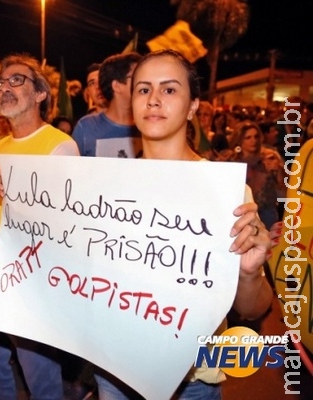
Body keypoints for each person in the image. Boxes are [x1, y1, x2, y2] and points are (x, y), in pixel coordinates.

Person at [92, 49, 273, 400]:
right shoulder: (105, 185)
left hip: (193, 382)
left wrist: (248, 273)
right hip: (115, 372)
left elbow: (254, 308)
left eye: (169, 89)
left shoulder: (227, 192)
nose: (154, 99)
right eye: (143, 89)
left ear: (193, 106)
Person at [0, 53, 79, 400]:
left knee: (38, 375)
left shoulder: (59, 146)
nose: (5, 88)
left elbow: (49, 226)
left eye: (17, 81)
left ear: (41, 94)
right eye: (1, 83)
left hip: (28, 279)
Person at [217, 121, 286, 229]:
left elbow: (282, 193)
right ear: (239, 140)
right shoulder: (229, 161)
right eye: (248, 137)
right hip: (239, 212)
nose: (253, 140)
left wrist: (279, 170)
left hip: (267, 214)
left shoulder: (268, 158)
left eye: (256, 136)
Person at [72, 52, 142, 157]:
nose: (143, 82)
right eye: (135, 77)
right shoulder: (86, 127)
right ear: (117, 86)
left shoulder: (148, 125)